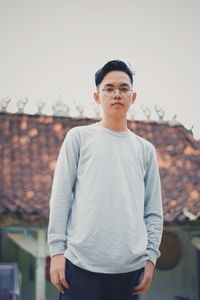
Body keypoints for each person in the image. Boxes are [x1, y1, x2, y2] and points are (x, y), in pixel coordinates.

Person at [47, 59, 164, 300]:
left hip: (130, 272)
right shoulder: (79, 138)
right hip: (79, 267)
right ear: (97, 96)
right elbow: (60, 197)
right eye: (109, 88)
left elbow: (153, 211)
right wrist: (57, 252)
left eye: (124, 88)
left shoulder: (145, 150)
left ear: (133, 97)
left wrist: (150, 258)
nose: (117, 94)